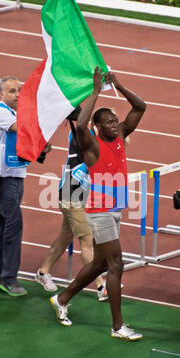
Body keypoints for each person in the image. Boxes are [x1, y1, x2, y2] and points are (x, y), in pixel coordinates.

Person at [50, 67, 146, 341]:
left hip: (114, 208)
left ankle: (62, 299)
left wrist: (119, 83)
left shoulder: (120, 137)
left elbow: (141, 106)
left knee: (101, 264)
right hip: (99, 210)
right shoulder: (91, 146)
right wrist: (95, 90)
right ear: (98, 127)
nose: (116, 124)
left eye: (116, 120)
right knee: (116, 264)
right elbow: (80, 126)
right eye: (110, 122)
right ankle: (118, 327)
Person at [35, 115, 108, 301]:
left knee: (65, 236)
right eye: (109, 121)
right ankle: (100, 285)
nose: (112, 125)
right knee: (86, 238)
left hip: (80, 192)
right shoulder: (80, 136)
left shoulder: (94, 137)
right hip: (70, 193)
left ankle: (43, 272)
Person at [0, 76, 31, 297]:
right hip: (0, 177)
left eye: (18, 90)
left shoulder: (15, 113)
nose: (17, 94)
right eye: (12, 91)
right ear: (1, 95)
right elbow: (17, 128)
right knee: (13, 223)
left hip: (15, 175)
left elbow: (23, 138)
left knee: (2, 223)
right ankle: (9, 279)